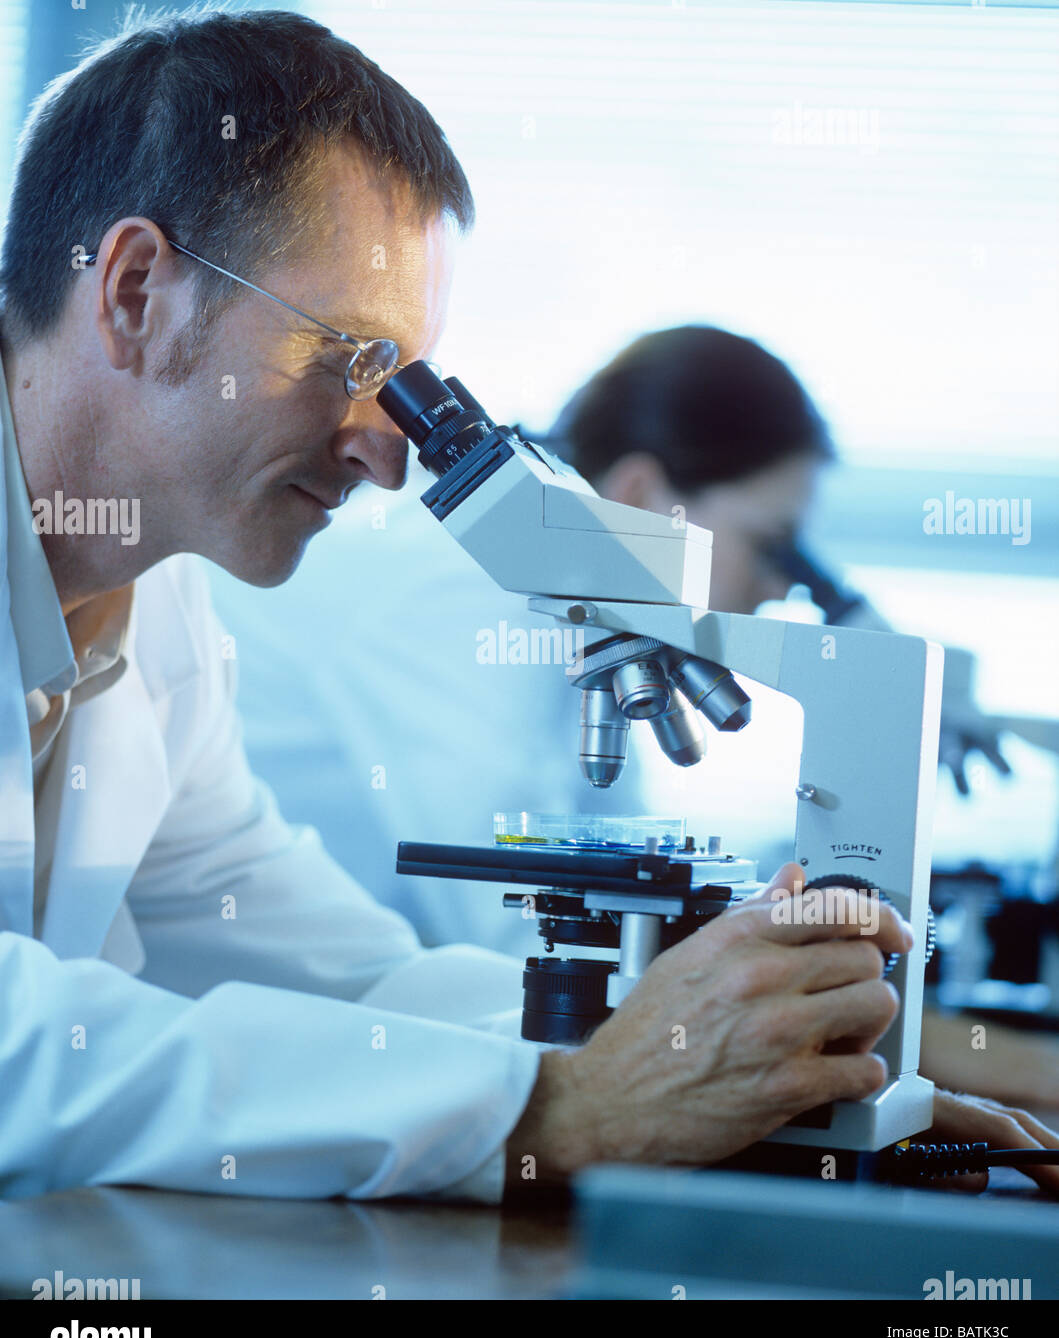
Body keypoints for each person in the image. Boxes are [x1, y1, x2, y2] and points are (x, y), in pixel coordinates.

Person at [1, 9, 1053, 1206]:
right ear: (136, 288)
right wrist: (563, 1112)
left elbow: (338, 974)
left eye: (400, 387)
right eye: (351, 359)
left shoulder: (162, 620)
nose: (388, 458)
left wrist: (754, 1068)